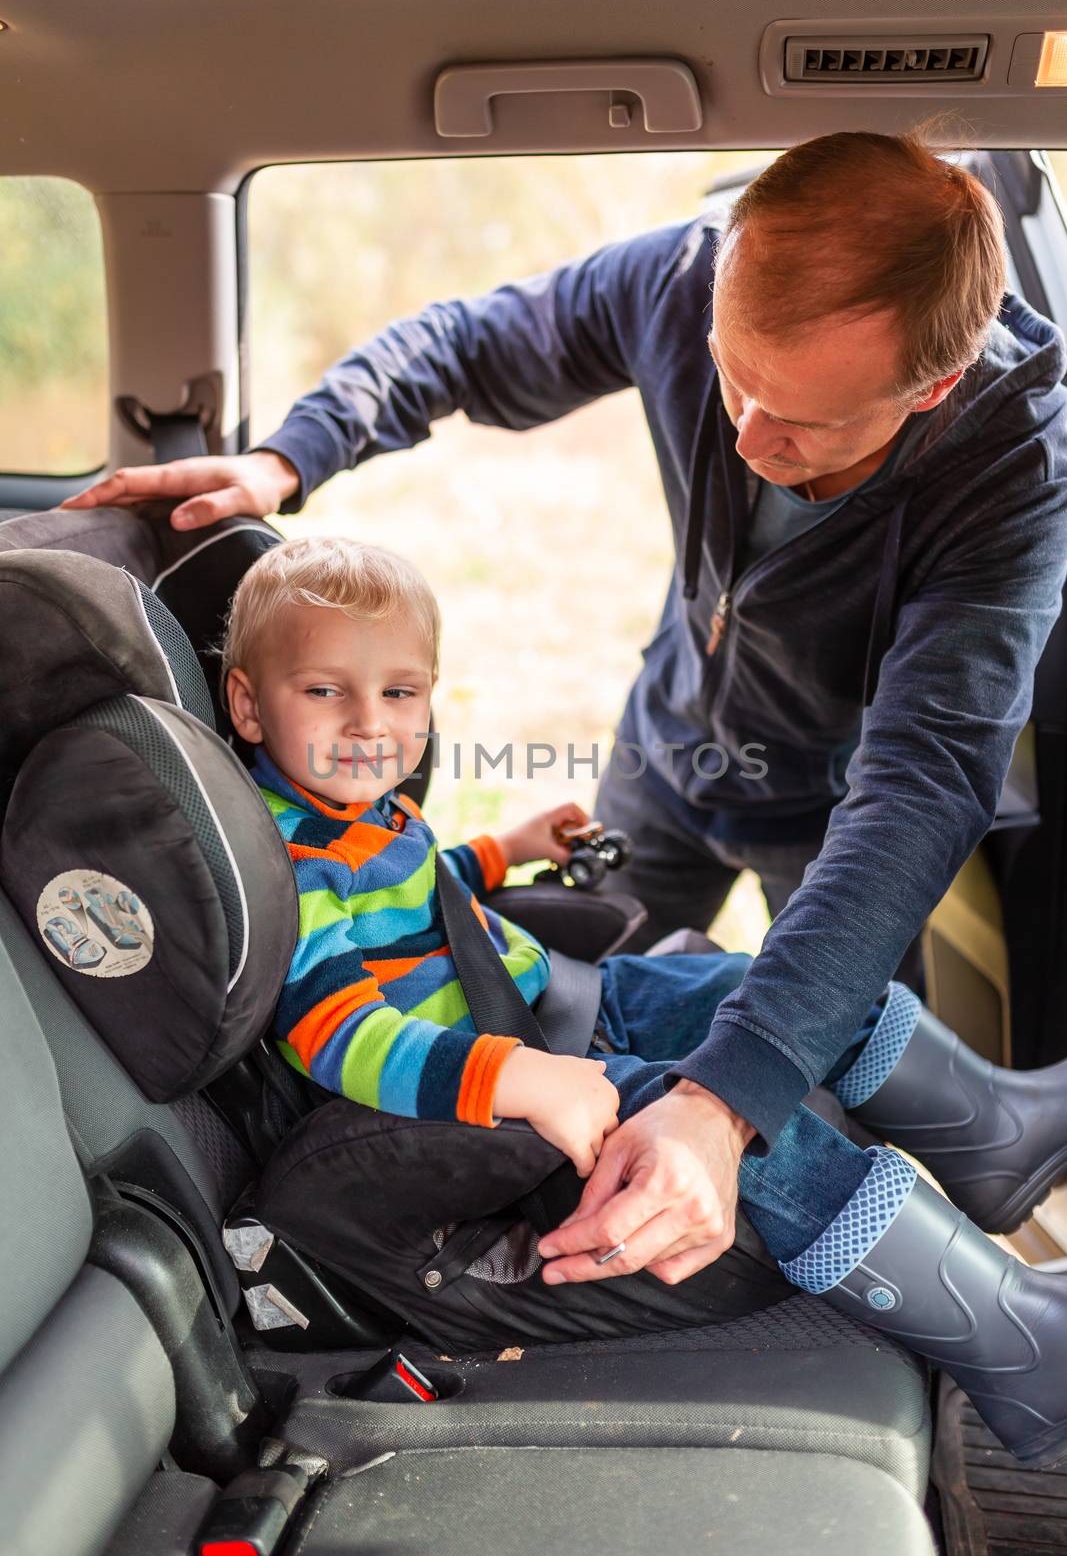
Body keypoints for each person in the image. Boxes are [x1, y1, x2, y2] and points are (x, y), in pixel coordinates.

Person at [61, 130, 1067, 1349]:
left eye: (801, 427)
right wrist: (296, 453)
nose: (744, 438)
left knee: (814, 1055)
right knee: (636, 1003)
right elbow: (465, 341)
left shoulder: (1011, 472)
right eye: (727, 380)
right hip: (667, 759)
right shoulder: (678, 274)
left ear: (931, 392)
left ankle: (979, 1221)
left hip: (836, 807)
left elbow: (918, 788)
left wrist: (727, 1101)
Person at [223, 533, 1067, 1468]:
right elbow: (339, 1034)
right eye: (325, 692)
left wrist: (504, 849)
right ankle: (1014, 1344)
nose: (368, 724)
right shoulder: (289, 863)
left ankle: (991, 1133)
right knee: (719, 1124)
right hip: (496, 1097)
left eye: (399, 693)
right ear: (249, 705)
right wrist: (523, 1080)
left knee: (749, 990)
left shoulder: (363, 809)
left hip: (557, 1002)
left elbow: (420, 889)